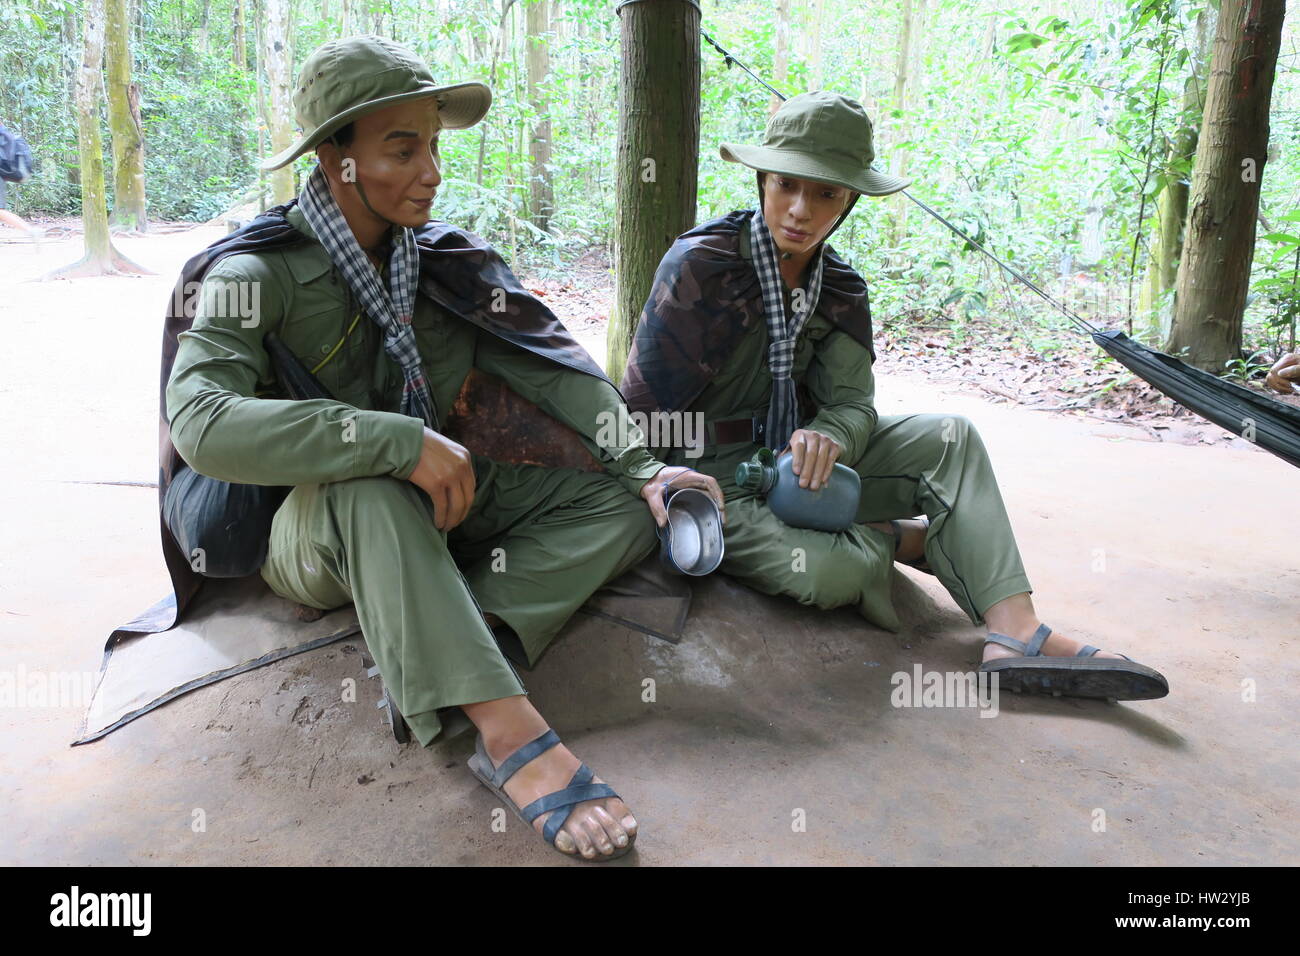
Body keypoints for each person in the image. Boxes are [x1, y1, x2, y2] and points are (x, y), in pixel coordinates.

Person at [164, 35, 722, 861]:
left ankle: (463, 636)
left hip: (446, 497)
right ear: (335, 158)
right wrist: (387, 440)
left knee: (618, 503)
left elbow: (554, 376)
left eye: (432, 144)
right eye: (401, 148)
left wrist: (644, 468)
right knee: (372, 482)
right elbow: (200, 420)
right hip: (317, 530)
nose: (431, 169)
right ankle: (505, 734)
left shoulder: (443, 266)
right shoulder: (257, 273)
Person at [621, 91, 1169, 703]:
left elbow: (854, 404)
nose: (801, 210)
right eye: (786, 186)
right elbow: (643, 415)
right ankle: (904, 539)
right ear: (761, 181)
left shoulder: (842, 289)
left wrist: (829, 434)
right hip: (712, 473)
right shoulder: (702, 265)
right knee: (833, 572)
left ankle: (1015, 631)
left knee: (950, 438)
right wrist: (665, 480)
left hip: (798, 467)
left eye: (826, 193)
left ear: (849, 199)